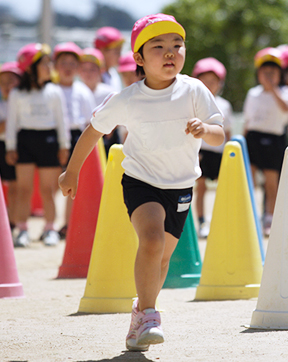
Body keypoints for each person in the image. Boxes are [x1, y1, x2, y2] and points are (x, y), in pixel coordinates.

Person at [58, 13, 225, 351]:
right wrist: (71, 171)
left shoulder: (194, 89)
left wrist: (205, 130)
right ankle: (151, 314)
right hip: (140, 181)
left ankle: (139, 314)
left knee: (161, 258)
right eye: (158, 47)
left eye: (177, 46)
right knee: (150, 241)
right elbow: (93, 131)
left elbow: (220, 134)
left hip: (180, 186)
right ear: (138, 58)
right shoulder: (129, 97)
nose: (170, 53)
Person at [6, 43, 70, 247]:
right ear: (31, 67)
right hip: (24, 140)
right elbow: (12, 122)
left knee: (48, 189)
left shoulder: (54, 91)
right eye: (44, 62)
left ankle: (50, 228)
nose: (49, 66)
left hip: (49, 140)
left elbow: (63, 120)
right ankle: (22, 229)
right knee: (24, 189)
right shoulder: (17, 93)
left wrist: (64, 145)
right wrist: (10, 147)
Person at [243, 47, 288, 236]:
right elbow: (248, 121)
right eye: (264, 72)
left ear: (280, 74)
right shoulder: (253, 93)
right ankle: (249, 215)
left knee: (271, 182)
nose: (267, 75)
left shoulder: (287, 93)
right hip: (253, 138)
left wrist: (273, 89)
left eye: (272, 72)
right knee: (249, 179)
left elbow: (286, 110)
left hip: (274, 139)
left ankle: (269, 218)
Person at [53, 42, 96, 239]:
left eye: (72, 63)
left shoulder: (83, 92)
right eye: (64, 63)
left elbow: (90, 122)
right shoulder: (51, 89)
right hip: (52, 136)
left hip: (78, 137)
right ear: (56, 66)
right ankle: (50, 223)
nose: (68, 67)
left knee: (72, 179)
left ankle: (67, 223)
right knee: (51, 182)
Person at [191, 57, 233, 238]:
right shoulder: (193, 103)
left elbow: (228, 132)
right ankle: (201, 221)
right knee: (200, 187)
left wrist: (228, 152)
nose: (208, 85)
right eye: (204, 81)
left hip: (219, 152)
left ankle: (220, 221)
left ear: (220, 84)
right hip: (200, 151)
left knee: (224, 188)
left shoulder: (224, 105)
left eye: (213, 82)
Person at [0, 62, 22, 231]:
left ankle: (13, 221)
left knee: (16, 186)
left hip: (15, 146)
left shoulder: (22, 103)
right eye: (3, 82)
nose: (7, 86)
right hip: (2, 144)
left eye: (11, 81)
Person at [94, 26, 124, 92]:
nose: (119, 55)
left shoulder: (113, 73)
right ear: (101, 51)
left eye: (120, 51)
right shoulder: (93, 76)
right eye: (116, 51)